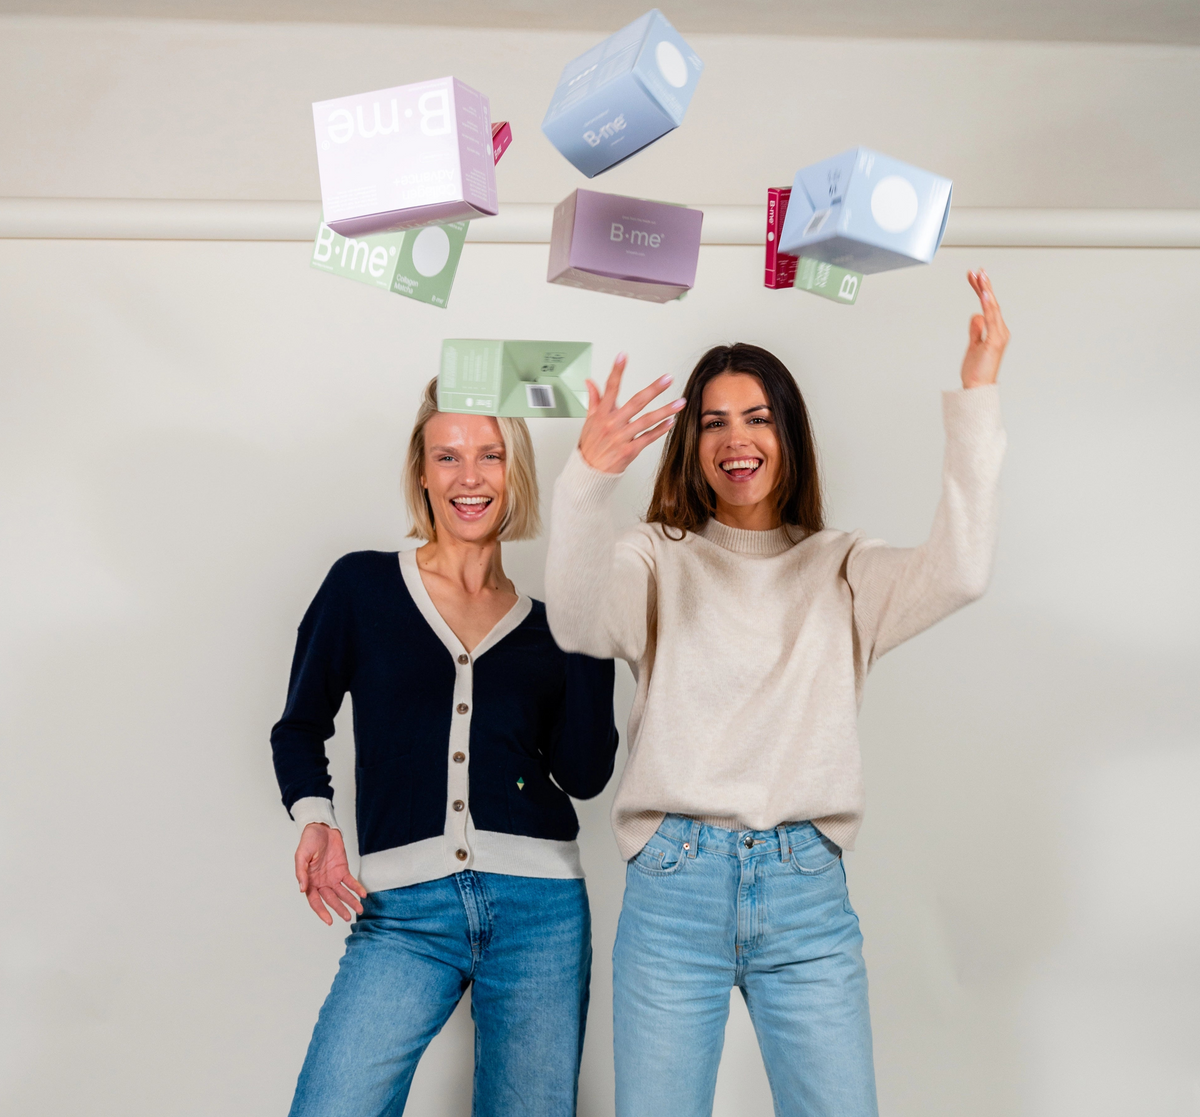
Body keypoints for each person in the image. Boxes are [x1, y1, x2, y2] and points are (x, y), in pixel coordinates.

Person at [544, 271, 1010, 1117]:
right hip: (674, 885)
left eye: (758, 417)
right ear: (691, 444)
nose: (736, 438)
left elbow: (963, 571)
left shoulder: (843, 566)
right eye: (714, 421)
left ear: (788, 433)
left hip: (805, 892)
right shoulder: (656, 555)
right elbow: (576, 622)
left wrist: (976, 396)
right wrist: (586, 480)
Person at [271, 379, 619, 1117]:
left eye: (490, 455)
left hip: (542, 913)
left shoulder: (553, 625)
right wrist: (316, 816)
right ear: (421, 471)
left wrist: (589, 624)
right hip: (405, 912)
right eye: (449, 455)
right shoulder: (361, 586)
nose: (470, 477)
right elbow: (299, 722)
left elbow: (586, 775)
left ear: (513, 470)